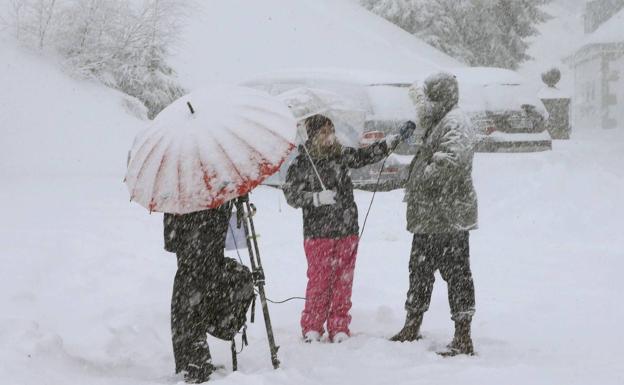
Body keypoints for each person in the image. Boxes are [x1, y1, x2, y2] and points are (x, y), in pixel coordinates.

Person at [283, 114, 414, 343]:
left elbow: (367, 155)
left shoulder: (341, 155)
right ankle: (312, 326)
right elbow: (291, 194)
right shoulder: (302, 163)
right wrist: (315, 198)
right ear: (312, 136)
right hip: (318, 232)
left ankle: (339, 326)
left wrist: (394, 140)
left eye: (330, 131)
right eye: (323, 132)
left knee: (343, 282)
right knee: (319, 282)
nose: (329, 136)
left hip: (346, 228)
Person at [390, 72, 478, 357]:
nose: (421, 107)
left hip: (447, 216)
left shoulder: (455, 122)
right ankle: (412, 324)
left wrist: (422, 176)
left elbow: (452, 162)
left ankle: (463, 335)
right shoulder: (440, 121)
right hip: (430, 216)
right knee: (419, 271)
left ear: (438, 98)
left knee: (457, 274)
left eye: (425, 100)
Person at [163, 203, 232, 383]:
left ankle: (194, 361)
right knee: (195, 304)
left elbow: (171, 241)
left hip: (192, 254)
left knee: (187, 307)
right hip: (208, 252)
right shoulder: (213, 185)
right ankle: (196, 360)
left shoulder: (178, 188)